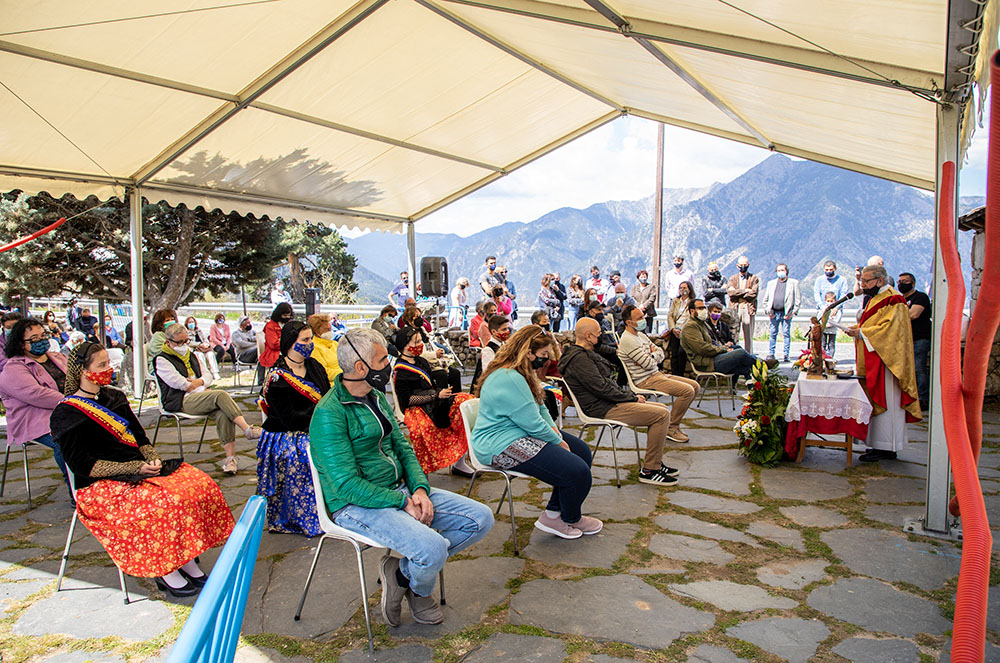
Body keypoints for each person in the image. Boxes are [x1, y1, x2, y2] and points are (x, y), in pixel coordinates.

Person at [309, 328, 493, 627]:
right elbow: (344, 485)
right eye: (383, 360)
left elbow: (404, 449)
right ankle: (420, 590)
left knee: (481, 519)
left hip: (400, 490)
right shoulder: (330, 413)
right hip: (354, 505)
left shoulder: (376, 398)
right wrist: (402, 500)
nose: (389, 366)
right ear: (360, 368)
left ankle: (401, 575)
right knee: (432, 548)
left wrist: (419, 489)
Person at [51, 341, 233, 598]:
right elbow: (83, 466)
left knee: (197, 485)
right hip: (99, 484)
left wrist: (152, 458)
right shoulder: (66, 413)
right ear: (82, 370)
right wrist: (135, 466)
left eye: (108, 363)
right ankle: (164, 568)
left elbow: (140, 436)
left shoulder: (113, 397)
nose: (108, 369)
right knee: (162, 503)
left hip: (139, 470)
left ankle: (183, 557)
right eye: (102, 365)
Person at [473, 325, 600, 538]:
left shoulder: (522, 372)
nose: (546, 359)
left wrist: (553, 430)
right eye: (543, 355)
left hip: (518, 432)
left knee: (582, 452)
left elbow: (540, 406)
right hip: (499, 444)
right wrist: (557, 441)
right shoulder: (510, 377)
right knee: (576, 471)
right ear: (528, 352)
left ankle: (553, 514)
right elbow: (531, 422)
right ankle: (570, 518)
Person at [560, 318, 680, 485]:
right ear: (589, 336)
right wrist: (631, 397)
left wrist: (629, 397)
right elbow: (601, 388)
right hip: (601, 408)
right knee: (660, 414)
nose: (601, 336)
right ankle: (650, 470)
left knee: (661, 408)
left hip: (607, 403)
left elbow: (604, 385)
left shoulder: (583, 354)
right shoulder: (580, 360)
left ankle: (655, 463)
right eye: (599, 334)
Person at [153, 323, 262, 475]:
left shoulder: (191, 355)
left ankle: (230, 459)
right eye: (179, 342)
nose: (184, 345)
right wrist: (200, 384)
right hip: (180, 401)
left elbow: (208, 376)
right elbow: (179, 383)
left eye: (186, 341)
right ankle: (246, 429)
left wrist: (198, 382)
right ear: (168, 342)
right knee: (220, 395)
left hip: (200, 394)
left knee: (223, 413)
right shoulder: (162, 360)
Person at [257, 321, 331, 535]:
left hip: (315, 424)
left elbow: (325, 397)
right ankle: (305, 516)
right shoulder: (277, 378)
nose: (310, 344)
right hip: (287, 435)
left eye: (311, 339)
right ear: (290, 344)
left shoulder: (314, 366)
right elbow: (289, 419)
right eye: (305, 340)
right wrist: (320, 420)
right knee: (306, 452)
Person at [845, 265, 922, 461]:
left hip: (888, 362)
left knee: (888, 403)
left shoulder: (894, 299)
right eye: (862, 281)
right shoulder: (877, 298)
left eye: (867, 281)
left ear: (880, 280)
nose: (863, 285)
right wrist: (857, 329)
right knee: (875, 400)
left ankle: (887, 447)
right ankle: (876, 445)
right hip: (876, 357)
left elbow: (890, 330)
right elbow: (872, 325)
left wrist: (862, 333)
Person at [0, 318, 73, 498]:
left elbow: (78, 379)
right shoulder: (13, 369)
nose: (41, 341)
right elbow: (37, 394)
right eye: (34, 339)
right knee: (65, 440)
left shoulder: (58, 357)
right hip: (35, 420)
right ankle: (75, 489)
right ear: (20, 343)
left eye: (43, 335)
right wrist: (74, 402)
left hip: (70, 411)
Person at [392, 326, 475, 477]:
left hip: (433, 399)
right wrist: (436, 396)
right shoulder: (401, 370)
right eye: (415, 341)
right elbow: (407, 400)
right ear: (405, 345)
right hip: (417, 407)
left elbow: (432, 386)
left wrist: (440, 393)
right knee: (462, 403)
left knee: (466, 404)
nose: (420, 344)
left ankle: (460, 462)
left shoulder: (421, 361)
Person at [618, 305, 699, 442]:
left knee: (695, 386)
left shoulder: (641, 335)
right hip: (646, 379)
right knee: (687, 391)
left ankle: (672, 424)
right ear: (629, 322)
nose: (643, 319)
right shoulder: (627, 339)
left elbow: (660, 352)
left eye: (643, 316)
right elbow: (648, 363)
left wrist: (651, 355)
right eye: (640, 318)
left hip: (656, 374)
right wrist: (652, 356)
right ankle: (671, 427)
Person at [681, 299, 776, 380]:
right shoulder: (690, 327)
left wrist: (725, 347)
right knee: (740, 353)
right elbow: (702, 348)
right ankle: (763, 364)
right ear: (692, 311)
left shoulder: (701, 323)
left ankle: (754, 393)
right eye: (700, 308)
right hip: (707, 363)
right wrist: (723, 349)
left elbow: (712, 342)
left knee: (746, 364)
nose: (703, 310)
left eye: (704, 308)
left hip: (712, 357)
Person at [898, 272, 931, 410]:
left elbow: (913, 314)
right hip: (904, 340)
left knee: (919, 368)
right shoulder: (899, 299)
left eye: (905, 281)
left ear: (913, 283)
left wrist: (898, 316)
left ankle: (923, 398)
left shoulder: (920, 297)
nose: (901, 284)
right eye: (900, 281)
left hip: (920, 338)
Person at [762, 264, 801, 362]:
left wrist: (793, 312)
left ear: (786, 271)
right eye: (778, 270)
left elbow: (797, 300)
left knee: (786, 333)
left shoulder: (793, 283)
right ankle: (771, 353)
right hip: (774, 313)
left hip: (786, 314)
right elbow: (765, 299)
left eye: (782, 270)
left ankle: (786, 354)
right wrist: (768, 311)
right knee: (772, 333)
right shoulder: (771, 283)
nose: (780, 272)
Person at [727, 256, 759, 353]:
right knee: (733, 333)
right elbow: (730, 293)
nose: (743, 267)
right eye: (741, 265)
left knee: (748, 334)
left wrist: (737, 292)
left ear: (748, 265)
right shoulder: (733, 278)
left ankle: (749, 354)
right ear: (737, 266)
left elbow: (753, 294)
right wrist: (745, 290)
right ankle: (734, 353)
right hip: (736, 308)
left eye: (745, 265)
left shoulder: (754, 278)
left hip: (748, 308)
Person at [664, 281, 694, 376]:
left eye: (685, 288)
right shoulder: (675, 301)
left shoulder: (692, 302)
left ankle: (680, 374)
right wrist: (673, 329)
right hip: (675, 330)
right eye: (681, 288)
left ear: (689, 289)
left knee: (682, 353)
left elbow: (692, 317)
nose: (682, 290)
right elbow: (670, 315)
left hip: (686, 331)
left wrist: (684, 330)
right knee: (674, 353)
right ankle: (674, 374)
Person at [184, 315, 221, 381]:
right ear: (186, 324)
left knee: (210, 354)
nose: (191, 324)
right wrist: (199, 344)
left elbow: (204, 338)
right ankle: (205, 373)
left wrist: (206, 344)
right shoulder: (186, 333)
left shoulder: (199, 331)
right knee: (200, 356)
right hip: (195, 349)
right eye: (189, 322)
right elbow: (189, 342)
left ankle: (215, 373)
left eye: (192, 322)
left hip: (204, 348)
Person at [307, 313, 342, 383]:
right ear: (317, 332)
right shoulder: (314, 349)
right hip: (333, 385)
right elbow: (324, 373)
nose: (330, 331)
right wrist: (346, 373)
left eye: (330, 329)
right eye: (326, 329)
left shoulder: (335, 344)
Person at [261, 302, 293, 373]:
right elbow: (274, 344)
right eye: (285, 315)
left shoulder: (290, 324)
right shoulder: (270, 326)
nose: (287, 317)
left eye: (289, 316)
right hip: (274, 354)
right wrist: (288, 342)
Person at [822, 291, 841, 359]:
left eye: (831, 301)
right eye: (828, 301)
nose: (830, 302)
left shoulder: (836, 310)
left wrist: (831, 324)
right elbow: (820, 317)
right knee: (823, 344)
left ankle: (830, 357)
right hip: (824, 329)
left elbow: (837, 320)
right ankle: (823, 357)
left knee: (831, 344)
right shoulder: (823, 309)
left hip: (832, 330)